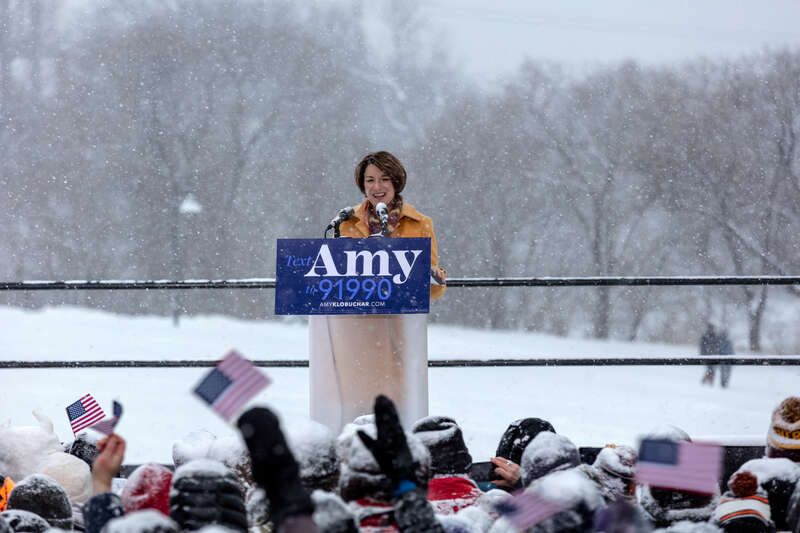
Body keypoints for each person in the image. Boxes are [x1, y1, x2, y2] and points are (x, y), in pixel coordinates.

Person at [309, 151, 447, 430]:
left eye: (384, 179)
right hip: (353, 332)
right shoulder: (345, 221)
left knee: (396, 402)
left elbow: (431, 286)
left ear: (396, 182)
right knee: (355, 400)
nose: (376, 186)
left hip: (399, 331)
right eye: (370, 180)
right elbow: (334, 274)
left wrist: (434, 279)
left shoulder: (420, 224)